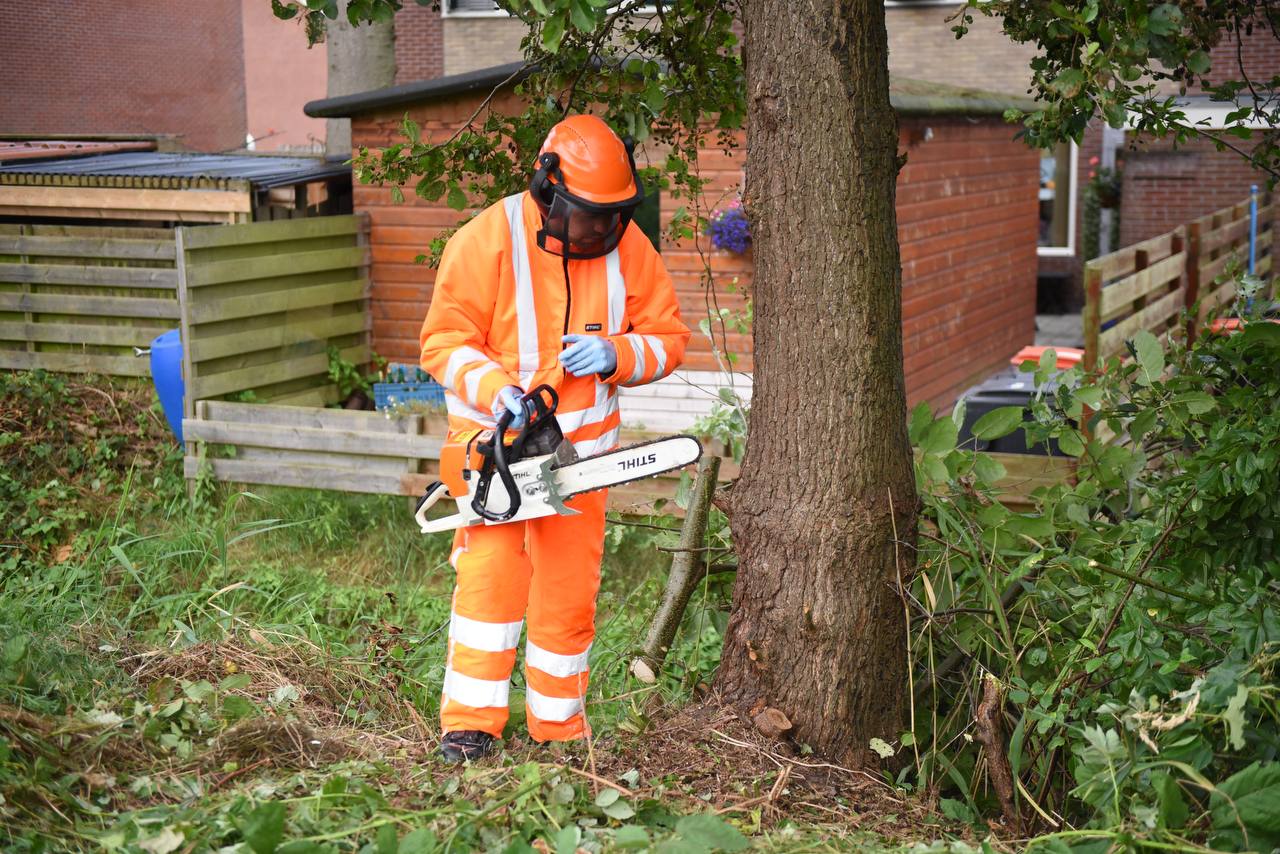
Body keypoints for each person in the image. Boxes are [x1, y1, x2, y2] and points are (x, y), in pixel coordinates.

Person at [419, 114, 690, 762]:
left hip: (582, 463)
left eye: (611, 216)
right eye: (588, 215)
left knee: (567, 598)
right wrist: (498, 391)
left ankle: (559, 730)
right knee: (490, 587)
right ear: (548, 193)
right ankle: (470, 726)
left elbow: (670, 340)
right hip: (497, 456)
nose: (599, 229)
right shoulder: (486, 239)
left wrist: (619, 352)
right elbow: (444, 342)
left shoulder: (630, 250)